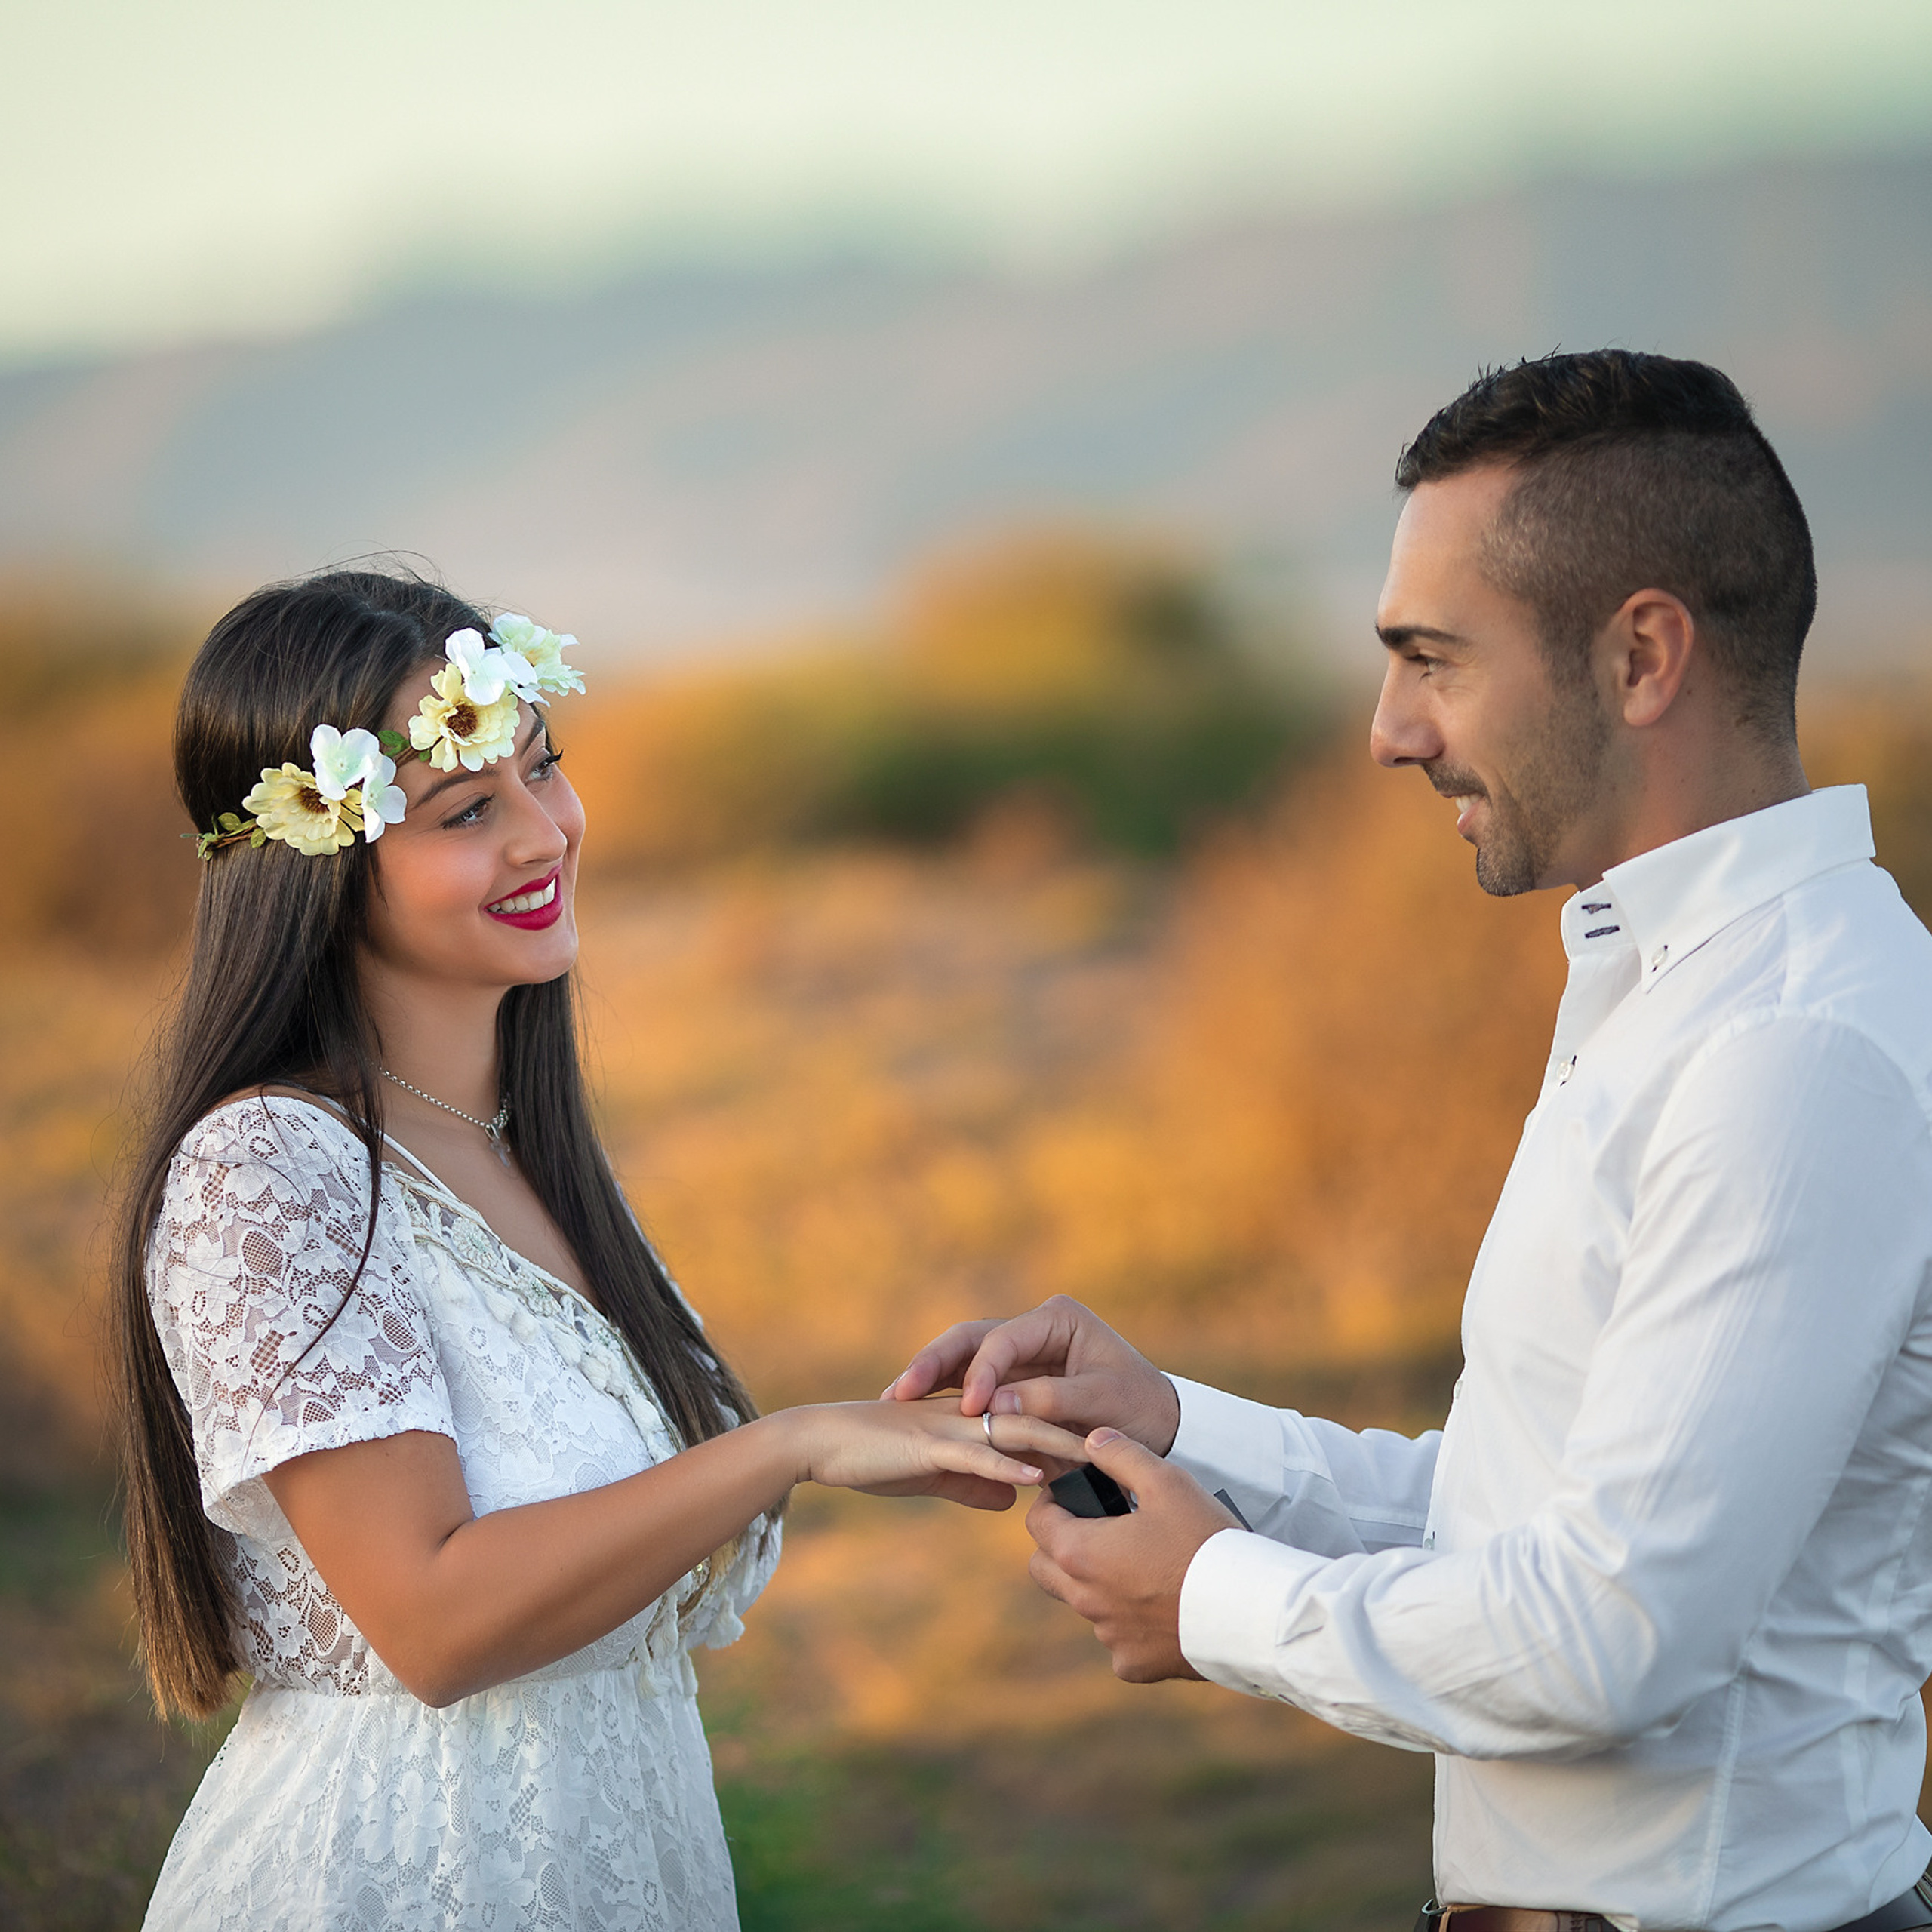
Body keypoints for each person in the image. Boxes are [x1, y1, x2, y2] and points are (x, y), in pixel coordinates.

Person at [888, 352, 1932, 1932]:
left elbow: (1610, 1630)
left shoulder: (1788, 1050)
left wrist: (1211, 1596)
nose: (1388, 731)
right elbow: (1533, 1510)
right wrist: (1177, 1424)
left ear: (1640, 653)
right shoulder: (1664, 991)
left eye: (1431, 658)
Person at [111, 570, 1084, 1932]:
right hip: (399, 1879)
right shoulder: (271, 1168)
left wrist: (899, 1431)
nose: (543, 834)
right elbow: (436, 1624)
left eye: (542, 771)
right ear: (317, 853)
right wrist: (789, 1445)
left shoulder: (524, 1153)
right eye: (467, 810)